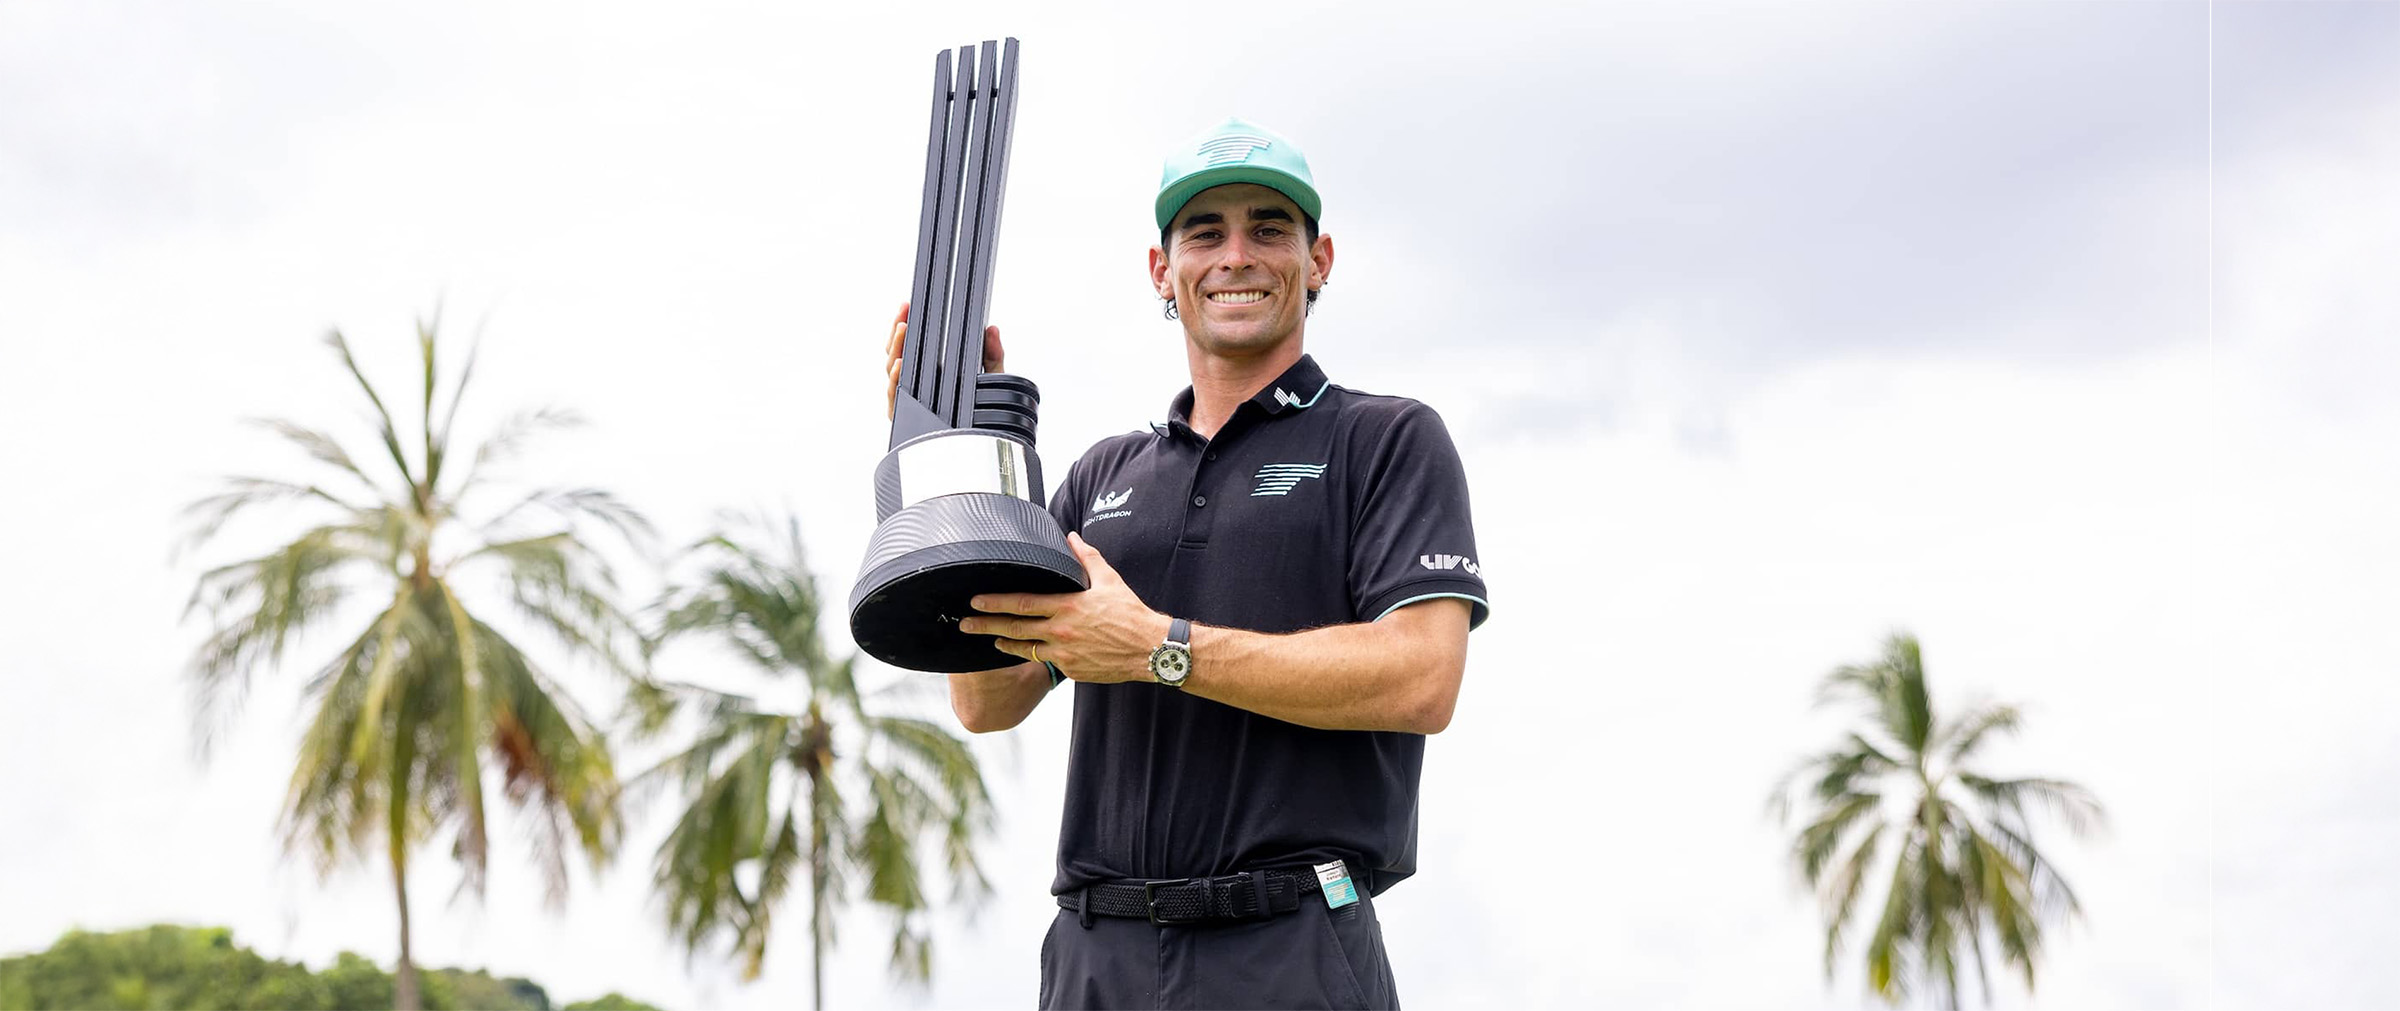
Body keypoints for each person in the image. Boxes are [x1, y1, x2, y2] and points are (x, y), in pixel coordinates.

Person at [882, 117, 1489, 1010]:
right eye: (1204, 232)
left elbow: (1424, 678)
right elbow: (985, 697)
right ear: (1163, 271)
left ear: (1318, 259)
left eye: (1267, 229)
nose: (1235, 254)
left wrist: (1156, 647)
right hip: (1099, 954)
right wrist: (958, 452)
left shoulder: (1386, 438)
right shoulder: (1103, 476)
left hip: (1291, 946)